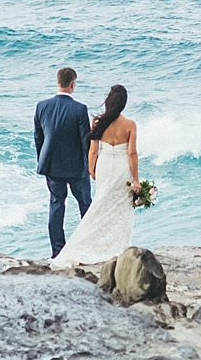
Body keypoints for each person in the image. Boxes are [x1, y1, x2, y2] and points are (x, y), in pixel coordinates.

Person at [51, 83, 138, 268]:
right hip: (122, 167)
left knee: (100, 203)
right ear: (123, 103)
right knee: (121, 206)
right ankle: (118, 247)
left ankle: (88, 243)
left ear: (108, 102)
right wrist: (136, 179)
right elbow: (131, 153)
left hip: (104, 165)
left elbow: (93, 150)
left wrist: (92, 168)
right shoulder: (130, 125)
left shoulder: (98, 122)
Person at [34, 67, 91, 258]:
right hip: (76, 167)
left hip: (52, 166)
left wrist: (42, 161)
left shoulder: (42, 106)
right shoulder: (80, 109)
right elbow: (86, 142)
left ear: (58, 82)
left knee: (57, 206)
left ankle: (58, 252)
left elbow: (38, 138)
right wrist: (90, 166)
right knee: (85, 206)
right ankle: (87, 248)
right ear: (73, 84)